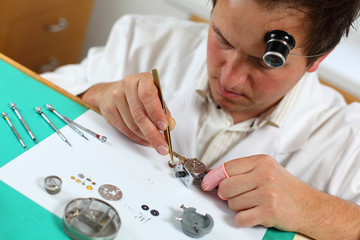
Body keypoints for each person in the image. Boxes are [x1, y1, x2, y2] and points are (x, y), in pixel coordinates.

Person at [42, 0, 360, 239]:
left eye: (264, 63)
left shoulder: (348, 138)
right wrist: (93, 95)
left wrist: (312, 209)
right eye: (222, 38)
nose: (230, 78)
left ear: (319, 58)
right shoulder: (141, 38)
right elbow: (33, 91)